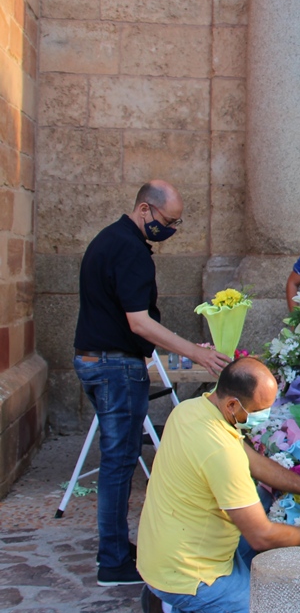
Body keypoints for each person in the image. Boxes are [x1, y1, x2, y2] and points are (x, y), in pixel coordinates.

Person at [136, 357, 300, 613]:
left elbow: (255, 462)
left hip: (176, 549)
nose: (265, 417)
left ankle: (173, 595)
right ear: (233, 405)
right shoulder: (221, 452)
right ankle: (176, 609)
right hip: (192, 574)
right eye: (259, 411)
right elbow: (262, 536)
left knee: (261, 510)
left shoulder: (190, 409)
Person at [73, 181, 232, 587]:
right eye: (168, 221)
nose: (172, 229)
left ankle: (116, 546)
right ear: (144, 209)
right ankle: (112, 562)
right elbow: (139, 322)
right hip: (115, 366)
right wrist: (196, 353)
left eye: (177, 223)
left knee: (118, 461)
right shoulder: (130, 250)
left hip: (94, 359)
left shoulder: (109, 239)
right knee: (119, 464)